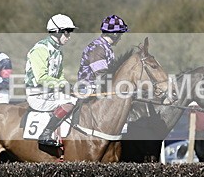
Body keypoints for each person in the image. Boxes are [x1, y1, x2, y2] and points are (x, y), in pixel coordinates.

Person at [25, 14, 77, 147]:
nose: (69, 36)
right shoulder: (40, 49)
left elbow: (59, 77)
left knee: (77, 99)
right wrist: (62, 85)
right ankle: (45, 135)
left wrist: (68, 87)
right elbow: (41, 78)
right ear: (58, 32)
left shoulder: (59, 52)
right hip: (37, 94)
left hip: (50, 93)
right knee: (70, 103)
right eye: (67, 32)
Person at [77, 15, 129, 91]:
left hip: (98, 89)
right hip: (88, 90)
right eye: (120, 34)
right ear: (115, 34)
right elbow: (102, 78)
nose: (120, 38)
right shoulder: (97, 49)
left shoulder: (105, 47)